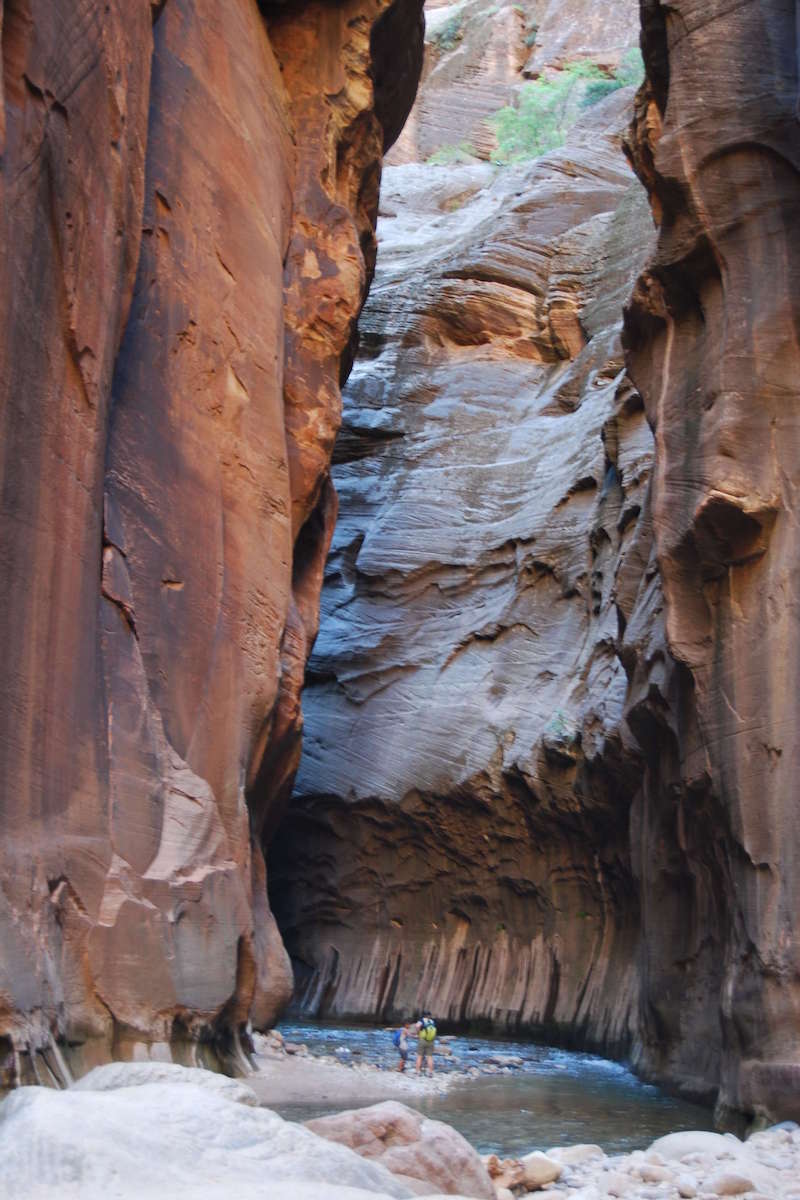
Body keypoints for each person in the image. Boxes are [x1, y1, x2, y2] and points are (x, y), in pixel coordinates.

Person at [415, 1011, 437, 1077]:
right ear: (429, 1015)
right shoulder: (432, 1022)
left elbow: (417, 1026)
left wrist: (418, 1033)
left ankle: (418, 1072)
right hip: (431, 1041)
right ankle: (430, 1072)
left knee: (419, 1056)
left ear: (424, 1015)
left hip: (423, 1040)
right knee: (430, 1057)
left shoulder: (421, 1020)